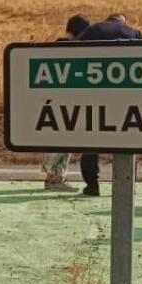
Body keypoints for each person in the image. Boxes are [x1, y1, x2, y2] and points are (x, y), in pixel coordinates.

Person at [73, 12, 142, 196]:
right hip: (126, 96)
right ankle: (127, 185)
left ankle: (92, 186)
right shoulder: (134, 33)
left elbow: (72, 52)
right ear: (122, 21)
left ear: (108, 20)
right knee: (128, 141)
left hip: (96, 94)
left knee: (91, 139)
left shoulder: (94, 29)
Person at [42, 14, 91, 191]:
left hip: (53, 100)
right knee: (63, 142)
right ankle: (54, 180)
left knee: (58, 141)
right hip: (66, 101)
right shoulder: (73, 47)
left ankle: (53, 178)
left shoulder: (56, 44)